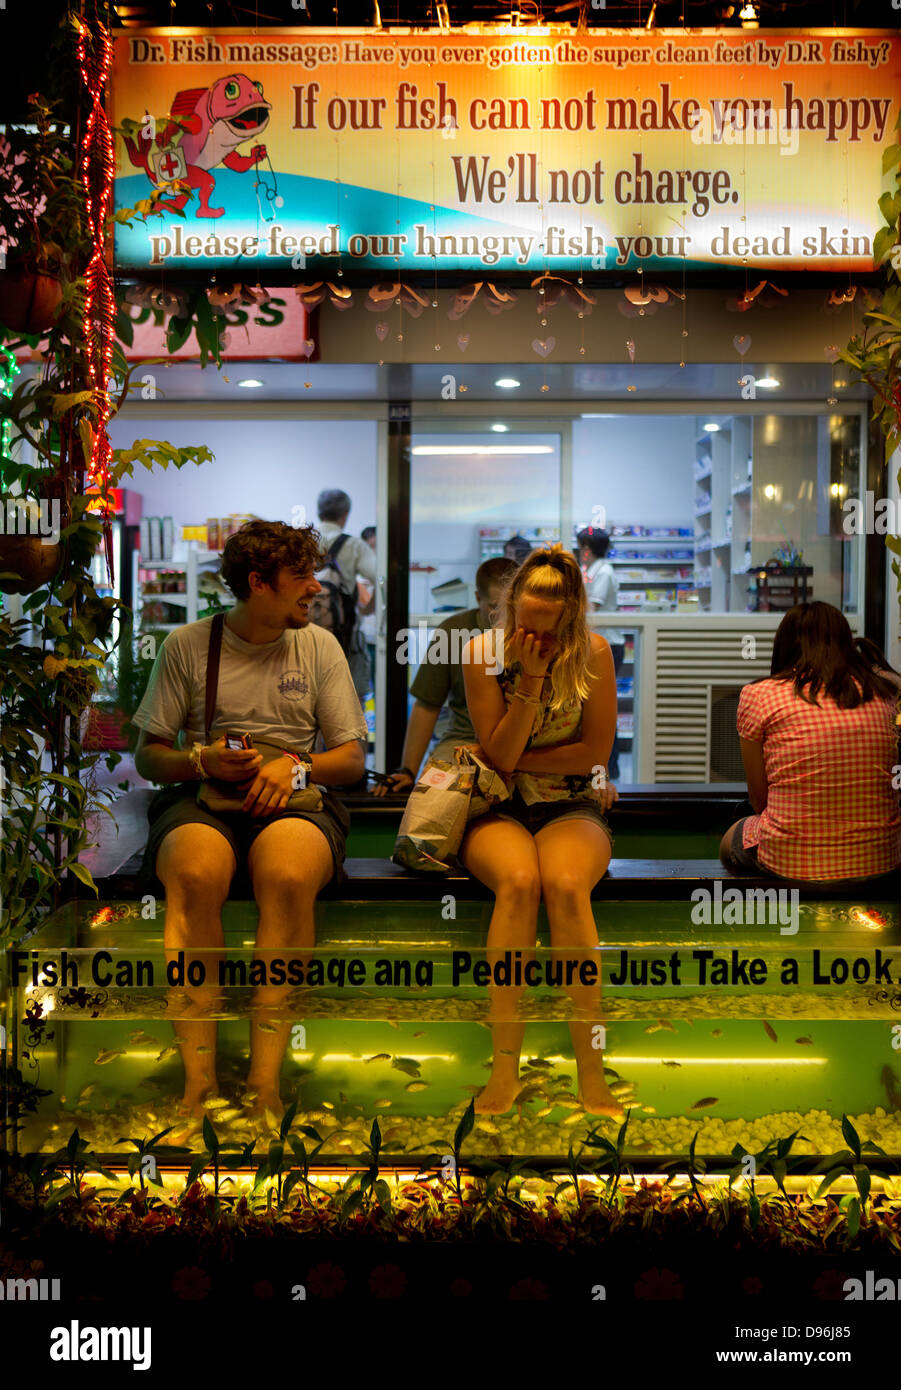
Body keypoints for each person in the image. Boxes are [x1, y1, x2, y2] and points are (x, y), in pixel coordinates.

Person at [132, 520, 367, 1127]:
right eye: (301, 578)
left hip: (296, 801)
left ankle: (265, 1080)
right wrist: (199, 758)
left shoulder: (320, 646)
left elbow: (350, 759)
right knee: (192, 872)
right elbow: (149, 754)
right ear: (258, 584)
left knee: (288, 875)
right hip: (204, 800)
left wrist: (294, 766)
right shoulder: (188, 645)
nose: (315, 588)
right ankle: (198, 1082)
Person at [458, 544, 622, 1116]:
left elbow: (593, 752)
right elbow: (500, 761)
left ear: (572, 614)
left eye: (550, 629)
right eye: (527, 625)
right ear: (511, 609)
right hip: (495, 806)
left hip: (569, 805)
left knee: (568, 886)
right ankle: (504, 1070)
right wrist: (528, 681)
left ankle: (591, 1073)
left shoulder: (594, 654)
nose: (539, 640)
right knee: (519, 882)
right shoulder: (481, 653)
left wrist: (514, 753)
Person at [720, 601, 901, 883]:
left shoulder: (760, 695)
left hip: (791, 864)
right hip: (881, 862)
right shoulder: (886, 692)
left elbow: (759, 800)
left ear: (785, 645)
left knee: (730, 840)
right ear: (845, 644)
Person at [371, 557, 516, 796]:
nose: (502, 617)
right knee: (432, 799)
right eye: (493, 607)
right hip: (462, 742)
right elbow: (427, 705)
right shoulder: (452, 631)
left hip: (518, 745)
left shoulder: (532, 632)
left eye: (510, 606)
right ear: (478, 599)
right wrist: (409, 769)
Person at [315, 489, 378, 702]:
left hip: (304, 638)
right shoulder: (353, 545)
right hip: (346, 639)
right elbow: (381, 578)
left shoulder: (303, 542)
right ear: (345, 514)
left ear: (319, 512)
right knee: (350, 704)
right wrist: (367, 609)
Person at [578, 527, 624, 778]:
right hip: (598, 644)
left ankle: (611, 765)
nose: (580, 552)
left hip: (608, 645)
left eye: (582, 547)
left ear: (588, 548)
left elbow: (591, 608)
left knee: (603, 706)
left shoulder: (603, 572)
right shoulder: (593, 571)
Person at [358, 525, 377, 689]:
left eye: (376, 545)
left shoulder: (388, 571)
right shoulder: (359, 575)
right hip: (367, 636)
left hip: (388, 636)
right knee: (367, 684)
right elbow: (365, 605)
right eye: (369, 547)